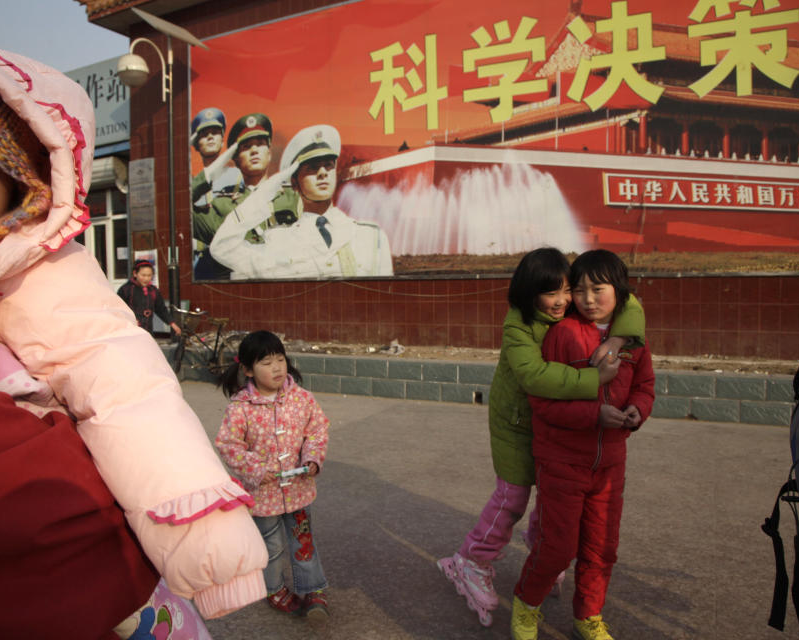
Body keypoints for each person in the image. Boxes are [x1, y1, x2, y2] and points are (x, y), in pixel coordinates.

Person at [0, 37, 267, 635]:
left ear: (20, 198)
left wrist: (204, 535)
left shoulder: (20, 270)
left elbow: (121, 383)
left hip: (41, 519)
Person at [437, 248, 645, 627]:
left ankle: (544, 554)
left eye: (568, 291)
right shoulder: (518, 324)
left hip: (556, 425)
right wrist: (593, 381)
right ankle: (470, 560)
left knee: (553, 494)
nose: (564, 301)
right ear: (530, 293)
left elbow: (629, 301)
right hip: (516, 423)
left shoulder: (570, 309)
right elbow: (535, 376)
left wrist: (616, 341)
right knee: (514, 495)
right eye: (553, 293)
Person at [511, 249, 655, 640]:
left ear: (619, 291)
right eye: (579, 289)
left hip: (610, 463)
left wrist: (638, 412)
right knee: (557, 547)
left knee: (601, 548)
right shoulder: (563, 335)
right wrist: (594, 415)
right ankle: (526, 604)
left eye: (598, 288)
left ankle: (588, 616)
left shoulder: (633, 342)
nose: (588, 299)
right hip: (562, 461)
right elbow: (543, 403)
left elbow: (644, 386)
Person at [214, 330, 332, 619]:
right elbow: (229, 445)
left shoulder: (302, 398)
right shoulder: (241, 407)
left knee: (303, 541)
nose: (277, 367)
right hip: (262, 495)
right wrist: (257, 469)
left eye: (280, 359)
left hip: (298, 490)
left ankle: (313, 589)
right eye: (266, 362)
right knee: (272, 545)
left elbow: (317, 431)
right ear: (248, 369)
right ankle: (275, 588)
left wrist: (313, 459)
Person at [209, 124, 393, 279]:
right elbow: (223, 248)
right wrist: (267, 190)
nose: (322, 173)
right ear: (294, 182)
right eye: (312, 168)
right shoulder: (278, 241)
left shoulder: (371, 236)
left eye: (328, 165)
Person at [191, 112, 298, 280]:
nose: (254, 150)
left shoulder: (294, 197)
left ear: (269, 153)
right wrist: (209, 174)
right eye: (246, 147)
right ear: (235, 158)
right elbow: (179, 211)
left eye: (260, 144)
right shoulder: (222, 206)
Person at [189, 107, 243, 280]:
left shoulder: (237, 176)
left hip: (228, 259)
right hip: (198, 262)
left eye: (215, 133)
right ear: (197, 144)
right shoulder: (190, 183)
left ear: (222, 140)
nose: (210, 137)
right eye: (204, 135)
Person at [117, 259, 182, 337]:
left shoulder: (153, 291)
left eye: (149, 275)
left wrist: (172, 324)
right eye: (143, 275)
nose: (146, 279)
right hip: (131, 331)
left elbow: (161, 309)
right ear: (135, 273)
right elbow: (119, 309)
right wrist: (130, 319)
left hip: (148, 329)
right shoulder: (126, 290)